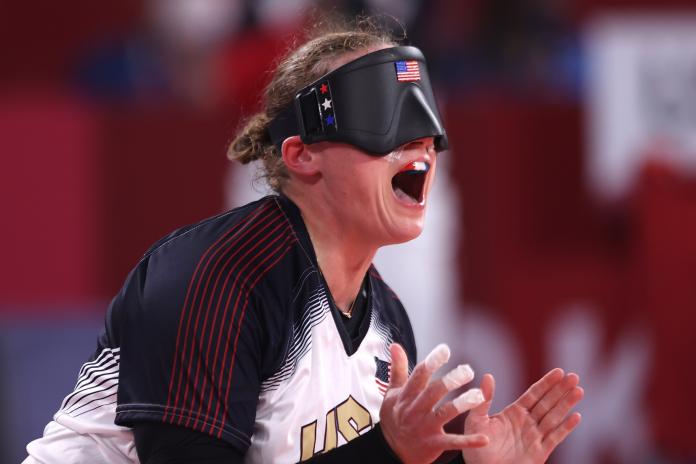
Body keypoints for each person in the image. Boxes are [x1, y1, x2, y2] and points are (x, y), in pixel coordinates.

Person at [23, 17, 583, 464]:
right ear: (302, 155)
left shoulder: (387, 320)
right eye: (384, 121)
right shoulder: (217, 278)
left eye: (425, 130)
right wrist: (387, 451)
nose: (420, 146)